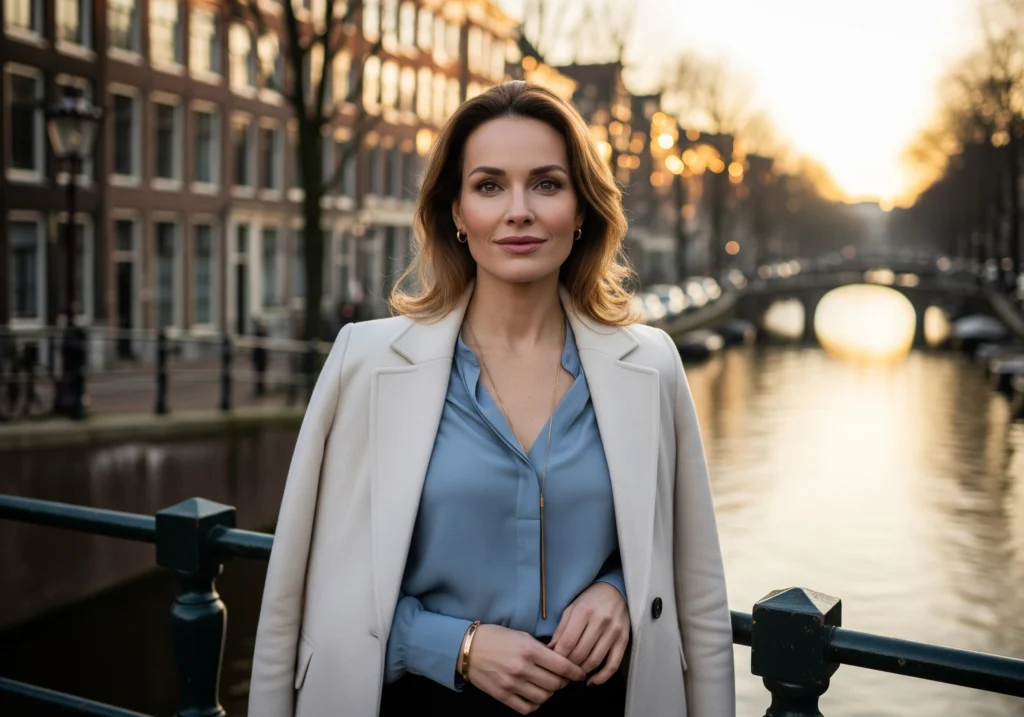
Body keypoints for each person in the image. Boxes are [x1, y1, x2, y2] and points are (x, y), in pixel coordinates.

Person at [249, 81, 735, 717]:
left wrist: (622, 590)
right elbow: (309, 588)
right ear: (455, 211)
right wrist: (453, 644)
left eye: (546, 184)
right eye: (488, 185)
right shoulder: (365, 363)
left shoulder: (650, 366)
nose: (518, 210)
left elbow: (694, 589)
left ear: (582, 207)